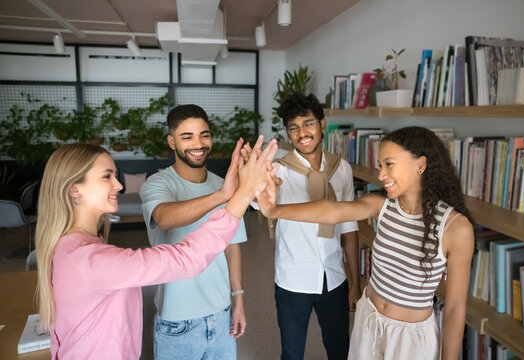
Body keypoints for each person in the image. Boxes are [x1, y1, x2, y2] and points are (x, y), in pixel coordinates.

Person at [34, 138, 278, 360]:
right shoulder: (88, 260)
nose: (118, 185)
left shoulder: (72, 247)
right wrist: (244, 194)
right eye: (106, 176)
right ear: (74, 188)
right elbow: (185, 259)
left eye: (114, 175)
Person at [258, 126, 474, 360]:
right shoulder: (383, 206)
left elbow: (454, 309)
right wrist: (274, 209)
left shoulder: (455, 228)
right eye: (380, 165)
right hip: (368, 322)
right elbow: (333, 211)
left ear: (420, 164)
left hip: (410, 341)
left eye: (389, 164)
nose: (381, 175)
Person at [251, 93, 360, 360]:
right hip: (292, 280)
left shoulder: (341, 169)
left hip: (334, 278)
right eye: (294, 127)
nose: (302, 132)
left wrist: (355, 283)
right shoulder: (277, 171)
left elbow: (349, 226)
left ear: (322, 125)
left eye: (308, 123)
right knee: (292, 352)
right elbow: (258, 204)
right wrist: (261, 188)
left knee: (340, 350)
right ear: (288, 133)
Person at [139, 104, 249, 360]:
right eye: (186, 137)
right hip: (177, 320)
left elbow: (232, 246)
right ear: (172, 142)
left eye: (204, 135)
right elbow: (165, 217)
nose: (198, 144)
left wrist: (239, 299)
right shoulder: (158, 183)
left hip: (221, 314)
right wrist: (222, 196)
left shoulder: (223, 185)